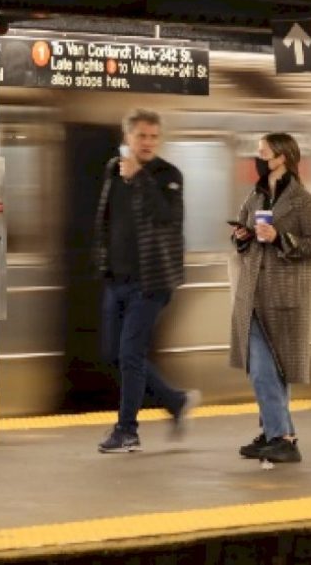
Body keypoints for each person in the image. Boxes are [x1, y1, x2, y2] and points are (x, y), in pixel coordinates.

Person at [93, 108, 201, 453]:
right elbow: (107, 220)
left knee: (130, 354)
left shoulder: (169, 175)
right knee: (115, 354)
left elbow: (166, 216)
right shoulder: (113, 170)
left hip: (151, 282)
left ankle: (127, 430)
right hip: (117, 278)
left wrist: (139, 177)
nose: (148, 142)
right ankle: (176, 400)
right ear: (128, 137)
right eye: (141, 136)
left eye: (154, 136)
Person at [228, 133, 311, 464]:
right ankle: (277, 434)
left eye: (262, 153)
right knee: (265, 368)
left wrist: (280, 238)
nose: (257, 159)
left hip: (284, 297)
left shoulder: (303, 202)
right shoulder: (254, 197)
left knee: (267, 370)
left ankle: (280, 436)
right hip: (252, 293)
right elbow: (241, 234)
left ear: (281, 158)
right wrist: (241, 237)